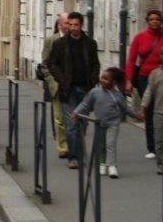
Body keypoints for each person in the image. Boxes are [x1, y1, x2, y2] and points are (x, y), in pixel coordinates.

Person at [47, 11, 101, 169]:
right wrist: (62, 80)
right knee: (71, 123)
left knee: (82, 124)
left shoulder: (90, 44)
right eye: (70, 25)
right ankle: (74, 157)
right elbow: (52, 64)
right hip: (68, 89)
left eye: (76, 25)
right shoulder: (60, 44)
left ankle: (78, 151)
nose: (73, 28)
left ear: (82, 25)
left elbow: (95, 63)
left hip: (85, 88)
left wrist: (93, 78)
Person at [71, 67, 137, 178]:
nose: (103, 80)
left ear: (114, 82)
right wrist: (76, 112)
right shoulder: (95, 92)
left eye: (106, 79)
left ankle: (112, 166)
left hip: (113, 123)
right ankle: (102, 163)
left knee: (110, 144)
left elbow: (125, 108)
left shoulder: (117, 95)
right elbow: (85, 104)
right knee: (101, 145)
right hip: (99, 123)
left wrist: (137, 115)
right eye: (102, 78)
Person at [125, 10, 163, 160]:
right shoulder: (139, 38)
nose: (154, 21)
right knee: (149, 110)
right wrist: (129, 80)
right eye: (151, 19)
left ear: (161, 21)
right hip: (144, 79)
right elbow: (131, 60)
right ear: (147, 21)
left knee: (161, 111)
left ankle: (162, 144)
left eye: (157, 19)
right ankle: (153, 147)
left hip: (162, 78)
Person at [40, 13, 71, 158]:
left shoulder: (78, 40)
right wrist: (51, 81)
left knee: (75, 118)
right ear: (59, 24)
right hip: (58, 84)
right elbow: (44, 64)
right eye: (66, 23)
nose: (69, 26)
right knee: (59, 118)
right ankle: (63, 146)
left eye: (71, 23)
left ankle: (74, 144)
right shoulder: (51, 41)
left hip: (74, 84)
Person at [140, 45, 163, 174]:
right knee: (159, 140)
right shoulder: (155, 74)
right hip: (159, 112)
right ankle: (162, 165)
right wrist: (143, 107)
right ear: (159, 57)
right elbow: (149, 92)